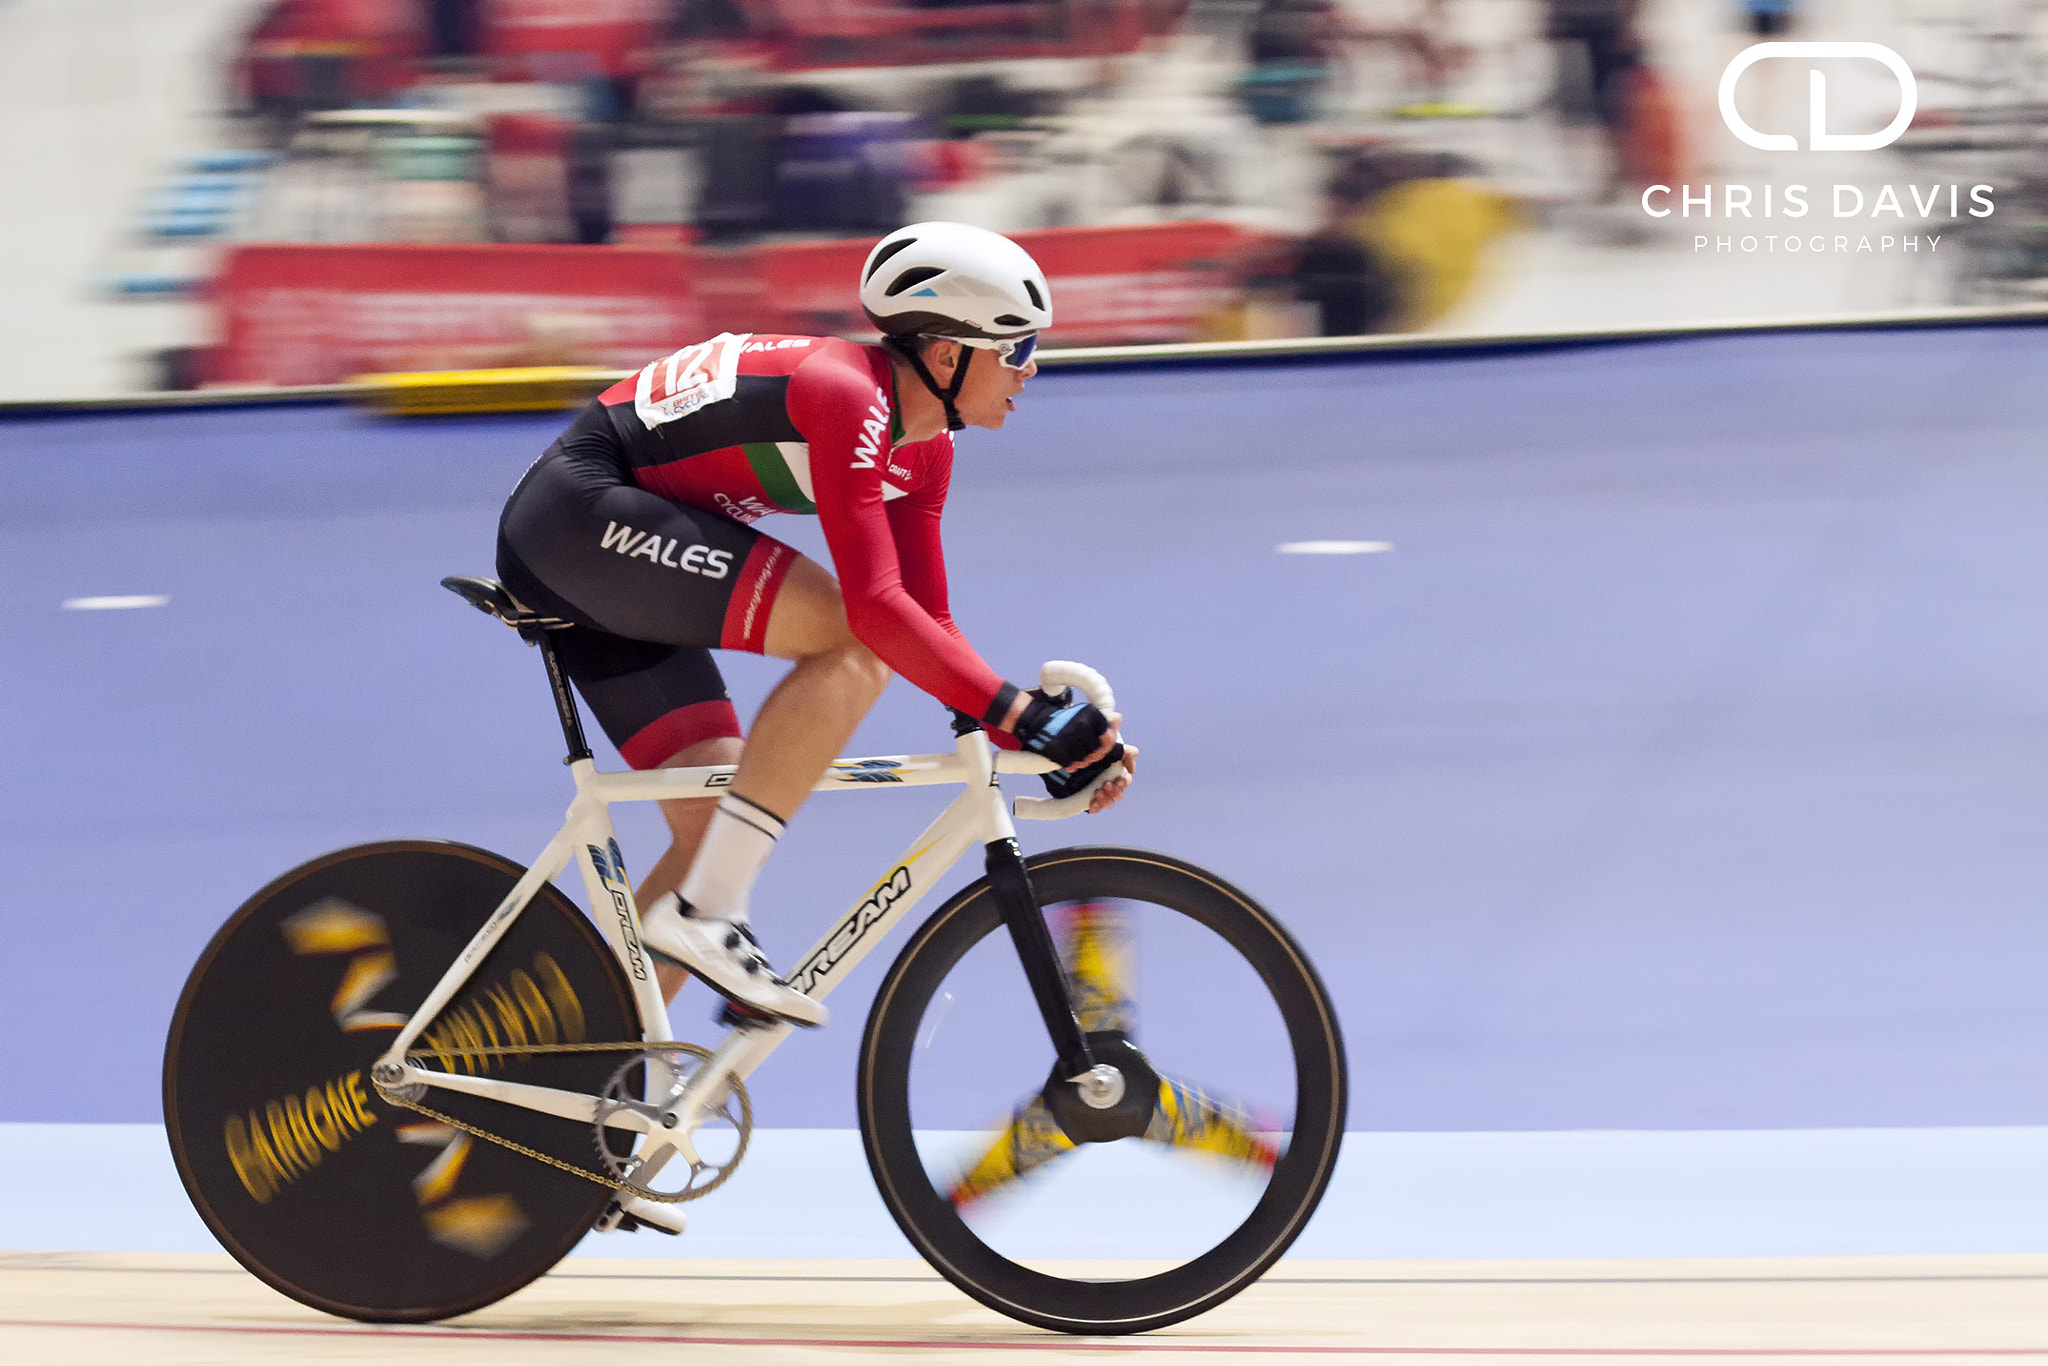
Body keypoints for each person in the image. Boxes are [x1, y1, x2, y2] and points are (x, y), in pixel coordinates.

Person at [494, 221, 1136, 1030]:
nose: (1030, 367)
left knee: (713, 817)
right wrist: (1023, 712)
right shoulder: (846, 393)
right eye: (1016, 346)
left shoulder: (925, 447)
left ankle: (567, 1068)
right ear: (946, 355)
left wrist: (1043, 738)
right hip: (576, 521)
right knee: (851, 638)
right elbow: (876, 613)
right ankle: (707, 917)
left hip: (628, 551)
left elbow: (928, 619)